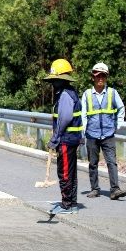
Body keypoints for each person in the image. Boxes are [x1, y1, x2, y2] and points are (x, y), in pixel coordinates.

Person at [81, 62, 126, 200]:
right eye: (98, 75)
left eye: (103, 76)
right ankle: (95, 189)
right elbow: (83, 114)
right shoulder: (87, 94)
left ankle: (115, 189)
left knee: (111, 162)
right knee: (93, 163)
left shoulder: (113, 93)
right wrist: (83, 132)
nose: (101, 78)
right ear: (93, 77)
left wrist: (118, 125)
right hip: (92, 134)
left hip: (108, 134)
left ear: (106, 77)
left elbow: (121, 108)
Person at [44, 59, 82, 214]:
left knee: (65, 172)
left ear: (61, 79)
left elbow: (64, 118)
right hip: (71, 139)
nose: (53, 83)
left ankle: (67, 204)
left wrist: (56, 137)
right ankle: (71, 203)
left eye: (55, 80)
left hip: (66, 139)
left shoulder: (65, 95)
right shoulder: (69, 92)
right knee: (71, 172)